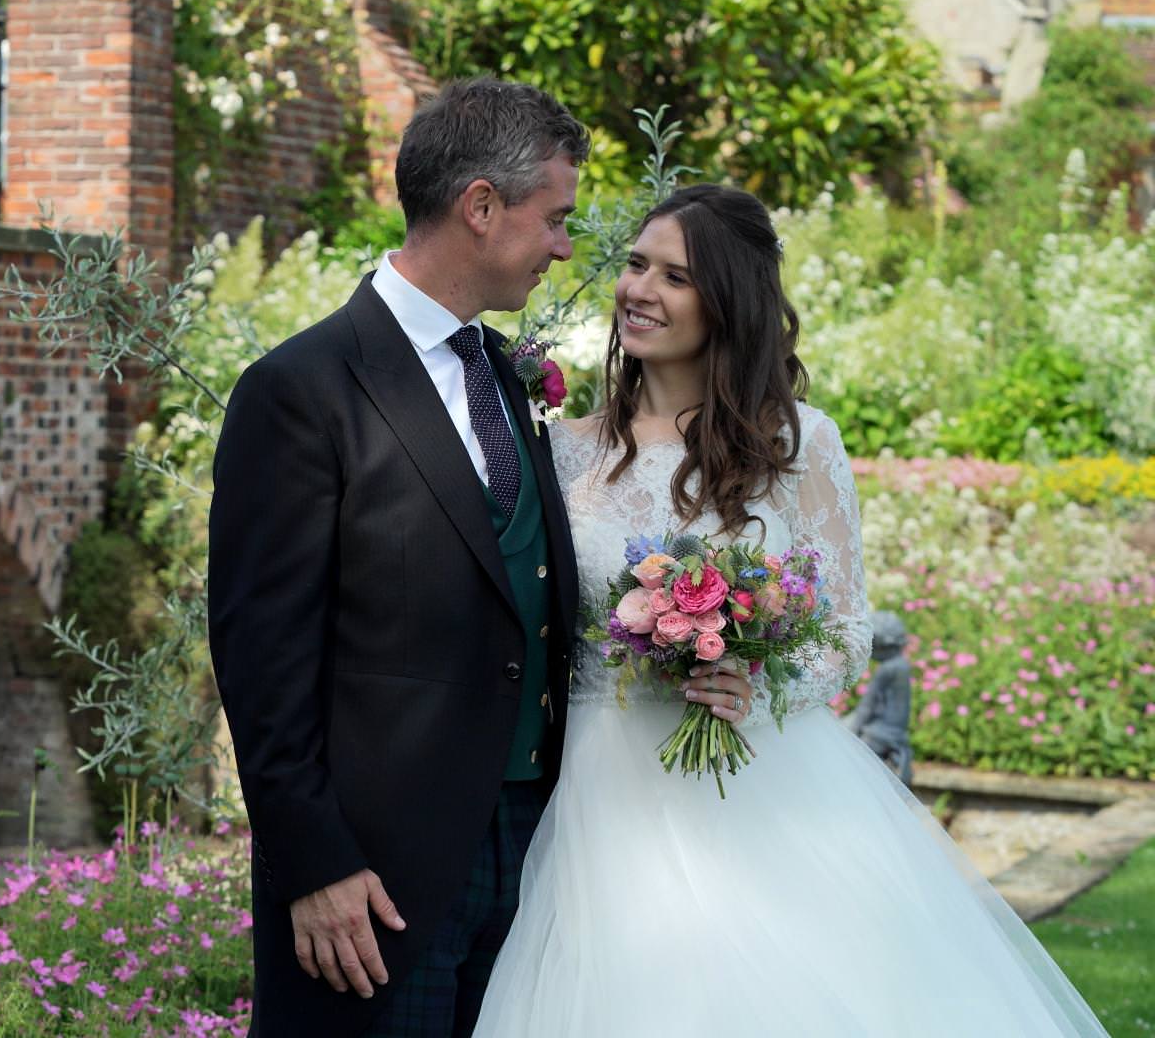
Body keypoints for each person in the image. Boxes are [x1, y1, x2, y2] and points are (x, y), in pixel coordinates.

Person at [471, 184, 1105, 1036]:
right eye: (634, 265)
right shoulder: (565, 447)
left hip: (765, 782)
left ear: (727, 301)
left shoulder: (799, 445)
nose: (639, 291)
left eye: (675, 277)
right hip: (603, 786)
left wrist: (755, 679)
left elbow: (845, 631)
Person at [207, 80, 757, 1037]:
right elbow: (260, 660)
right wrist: (315, 864)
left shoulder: (507, 373)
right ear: (481, 207)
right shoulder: (300, 390)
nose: (564, 247)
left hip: (542, 858)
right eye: (556, 219)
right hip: (375, 885)